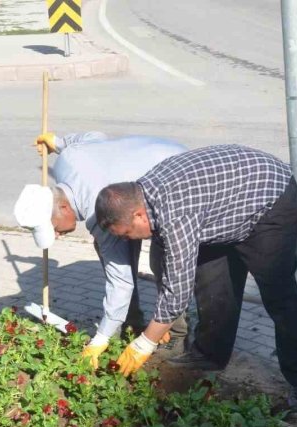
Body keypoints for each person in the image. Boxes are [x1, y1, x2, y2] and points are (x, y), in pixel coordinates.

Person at [94, 144, 297, 411]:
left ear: (138, 214)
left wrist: (145, 342)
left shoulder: (175, 212)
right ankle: (209, 356)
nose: (127, 240)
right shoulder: (144, 195)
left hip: (271, 204)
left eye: (126, 233)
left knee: (278, 295)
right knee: (212, 282)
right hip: (227, 210)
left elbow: (176, 293)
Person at [13, 131, 189, 367]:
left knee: (166, 259)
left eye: (53, 228)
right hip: (157, 149)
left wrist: (101, 338)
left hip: (175, 176)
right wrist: (58, 142)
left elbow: (121, 281)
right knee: (113, 245)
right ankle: (130, 320)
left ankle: (174, 334)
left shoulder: (100, 210)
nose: (56, 235)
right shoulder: (67, 161)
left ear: (64, 207)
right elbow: (93, 137)